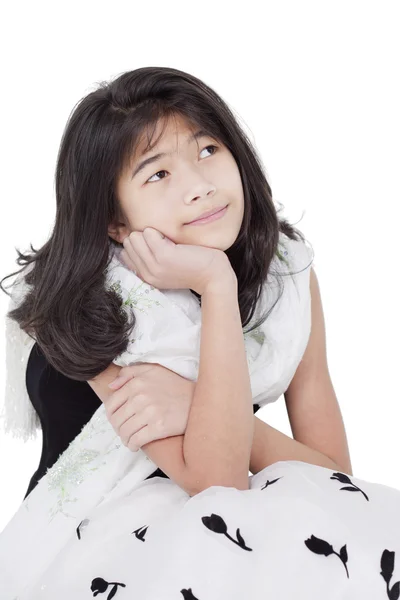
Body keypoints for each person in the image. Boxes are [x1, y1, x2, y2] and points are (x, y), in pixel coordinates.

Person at [1, 66, 399, 599]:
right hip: (101, 539)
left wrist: (194, 395)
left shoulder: (284, 272)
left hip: (234, 523)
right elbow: (216, 478)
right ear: (114, 222)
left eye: (208, 150)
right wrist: (215, 285)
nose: (200, 186)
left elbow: (336, 481)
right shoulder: (91, 299)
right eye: (157, 174)